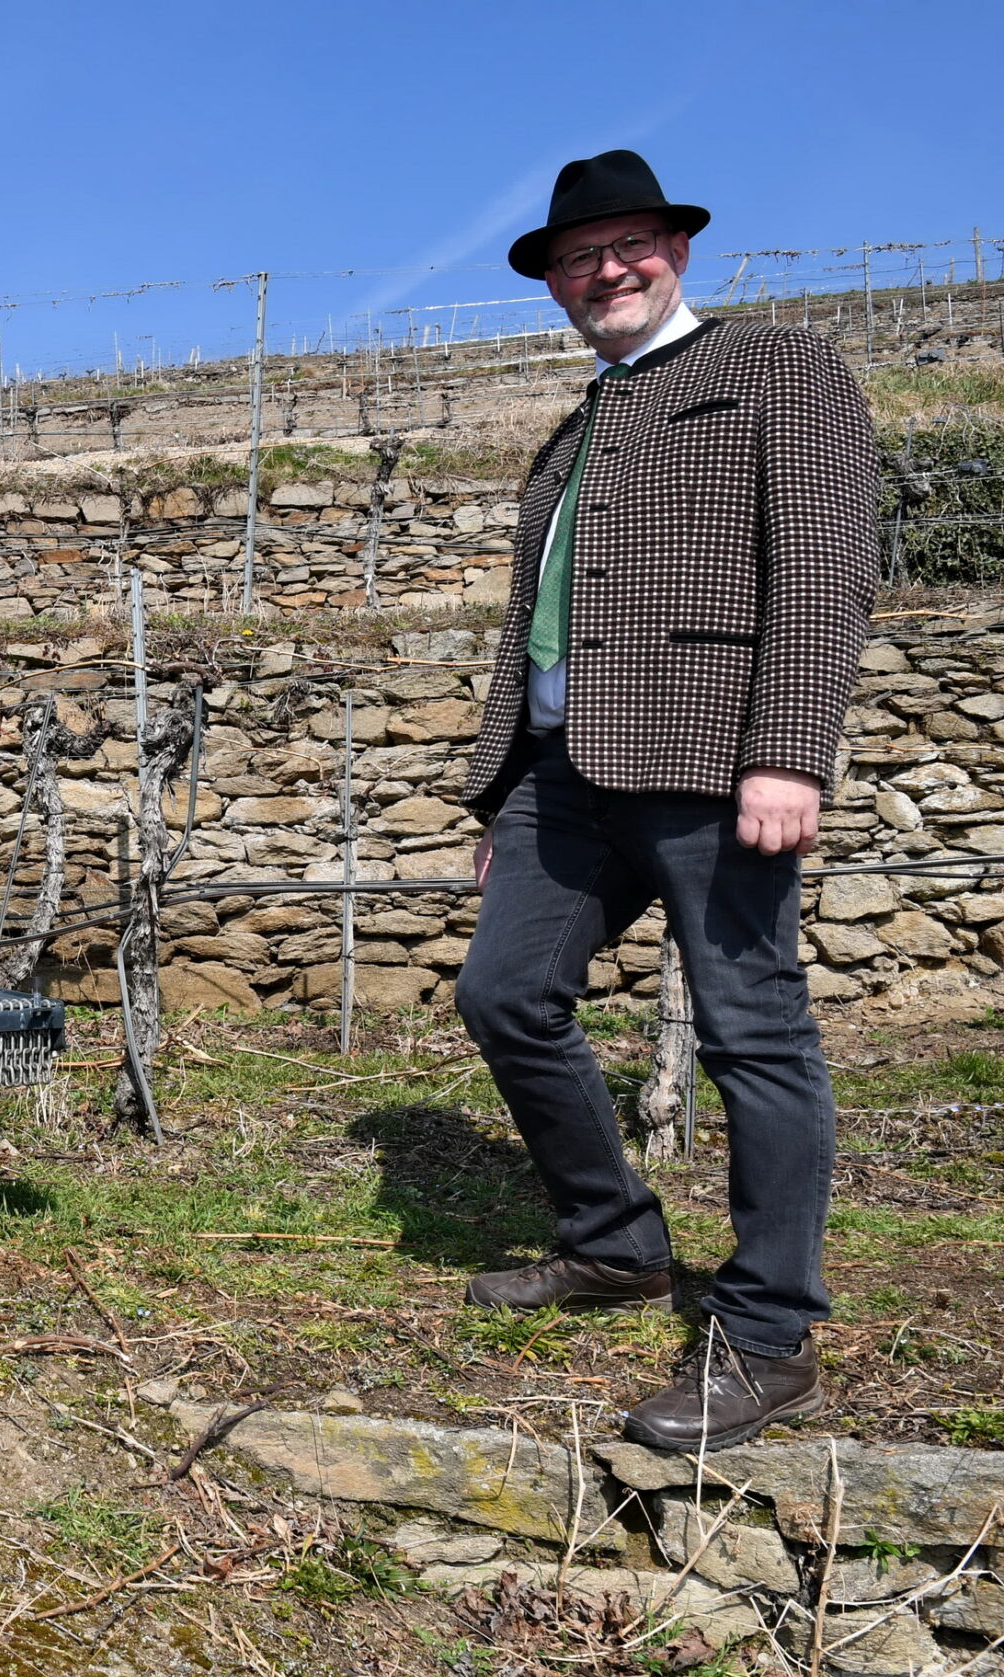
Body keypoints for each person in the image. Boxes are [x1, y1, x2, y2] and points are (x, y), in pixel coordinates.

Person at [451, 152, 877, 1452]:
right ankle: (615, 1242)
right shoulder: (578, 423)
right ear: (559, 285)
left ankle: (767, 1334)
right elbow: (539, 620)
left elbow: (825, 563)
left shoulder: (780, 369)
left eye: (629, 245)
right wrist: (500, 792)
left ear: (676, 251)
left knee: (755, 1030)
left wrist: (790, 749)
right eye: (581, 259)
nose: (607, 272)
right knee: (503, 990)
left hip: (710, 759)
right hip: (562, 770)